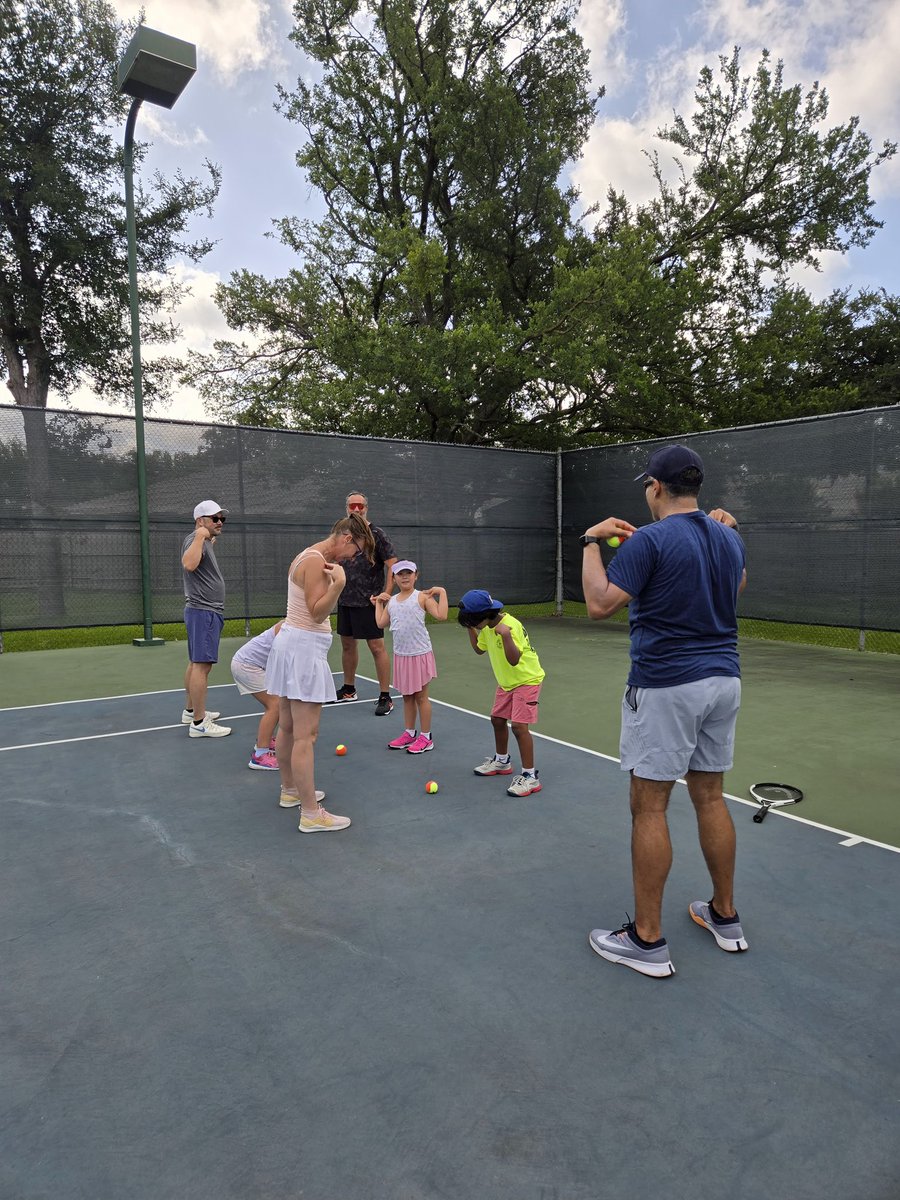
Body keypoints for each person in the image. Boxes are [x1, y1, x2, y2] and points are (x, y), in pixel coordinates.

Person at [580, 443, 747, 979]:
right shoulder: (728, 536)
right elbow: (734, 586)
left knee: (650, 808)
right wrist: (728, 533)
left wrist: (590, 541)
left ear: (655, 488)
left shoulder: (649, 540)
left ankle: (646, 942)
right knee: (711, 795)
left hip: (668, 685)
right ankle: (725, 916)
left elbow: (600, 604)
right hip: (725, 681)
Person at [266, 514, 376, 833]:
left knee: (287, 727)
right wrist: (339, 585)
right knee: (305, 735)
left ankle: (291, 791)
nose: (354, 555)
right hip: (302, 649)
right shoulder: (315, 562)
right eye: (356, 548)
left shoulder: (308, 555)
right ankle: (311, 814)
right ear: (345, 538)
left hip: (292, 647)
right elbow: (316, 613)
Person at [457, 589, 546, 797]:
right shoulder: (486, 626)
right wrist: (471, 629)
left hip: (527, 680)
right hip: (507, 683)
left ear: (484, 615)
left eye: (472, 622)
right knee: (497, 719)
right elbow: (479, 649)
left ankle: (530, 777)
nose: (473, 626)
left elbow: (514, 659)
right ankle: (502, 761)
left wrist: (505, 636)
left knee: (518, 726)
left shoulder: (510, 626)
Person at [372, 561, 448, 754]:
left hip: (420, 655)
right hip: (402, 656)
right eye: (400, 574)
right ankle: (409, 733)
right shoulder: (392, 602)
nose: (405, 577)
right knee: (407, 697)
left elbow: (442, 615)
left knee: (421, 697)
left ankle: (426, 737)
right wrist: (379, 603)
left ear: (416, 575)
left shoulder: (421, 597)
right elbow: (380, 623)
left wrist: (442, 592)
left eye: (409, 573)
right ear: (394, 578)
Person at [335, 491, 397, 715]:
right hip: (345, 600)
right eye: (353, 505)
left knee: (376, 647)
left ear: (366, 508)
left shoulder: (377, 534)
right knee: (348, 645)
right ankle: (349, 689)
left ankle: (385, 697)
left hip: (370, 602)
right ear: (347, 508)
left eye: (361, 506)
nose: (357, 509)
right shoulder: (343, 533)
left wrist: (386, 594)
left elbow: (393, 565)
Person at [181, 500, 230, 738]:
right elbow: (189, 564)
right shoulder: (195, 539)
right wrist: (201, 537)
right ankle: (199, 724)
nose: (220, 522)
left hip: (203, 611)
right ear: (201, 521)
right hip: (204, 611)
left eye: (222, 519)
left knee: (195, 662)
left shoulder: (202, 540)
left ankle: (191, 711)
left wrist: (206, 539)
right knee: (202, 665)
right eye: (215, 518)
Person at [230, 622, 285, 770]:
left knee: (278, 702)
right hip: (247, 666)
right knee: (275, 705)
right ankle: (260, 755)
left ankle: (265, 740)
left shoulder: (295, 625)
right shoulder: (288, 627)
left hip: (253, 665)